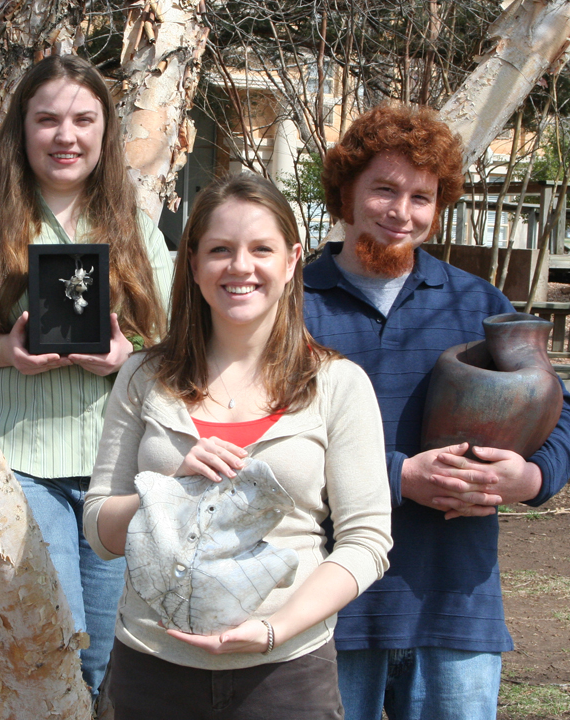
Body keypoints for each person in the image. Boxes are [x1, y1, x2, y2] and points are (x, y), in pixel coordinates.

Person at [302, 103, 570, 720]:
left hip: (455, 601)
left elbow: (563, 412)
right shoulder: (292, 308)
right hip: (325, 607)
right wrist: (399, 476)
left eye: (422, 197)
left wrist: (530, 479)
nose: (402, 213)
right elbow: (266, 441)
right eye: (383, 189)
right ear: (344, 191)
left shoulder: (475, 303)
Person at [83, 173, 393, 719]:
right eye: (220, 250)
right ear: (195, 264)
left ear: (293, 259)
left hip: (286, 674)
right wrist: (167, 490)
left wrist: (274, 630)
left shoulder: (338, 385)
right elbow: (101, 531)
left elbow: (366, 542)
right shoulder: (142, 377)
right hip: (152, 670)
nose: (240, 267)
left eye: (261, 249)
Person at [0, 55, 172, 715]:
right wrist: (5, 350)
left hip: (116, 474)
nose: (67, 135)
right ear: (22, 132)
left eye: (84, 119)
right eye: (48, 119)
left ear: (104, 132)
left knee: (101, 661)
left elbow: (179, 353)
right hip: (14, 467)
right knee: (44, 648)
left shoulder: (139, 232)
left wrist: (123, 357)